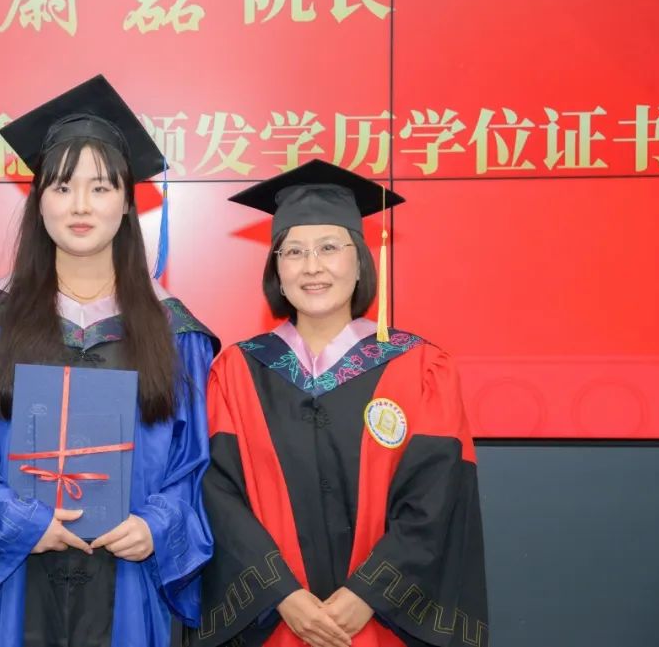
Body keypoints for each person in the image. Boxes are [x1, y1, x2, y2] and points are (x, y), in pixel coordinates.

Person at [0, 75, 218, 647]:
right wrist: (22, 524)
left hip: (127, 580)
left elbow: (196, 468)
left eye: (101, 187)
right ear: (38, 201)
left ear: (128, 203)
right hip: (18, 580)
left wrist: (157, 526)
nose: (80, 206)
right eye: (62, 187)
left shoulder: (175, 335)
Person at [190, 159, 488, 647]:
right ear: (276, 269)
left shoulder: (420, 369)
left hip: (378, 624)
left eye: (329, 247)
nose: (312, 267)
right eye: (293, 251)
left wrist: (367, 593)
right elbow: (218, 495)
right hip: (277, 623)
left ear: (360, 260)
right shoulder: (237, 372)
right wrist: (283, 594)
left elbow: (437, 497)